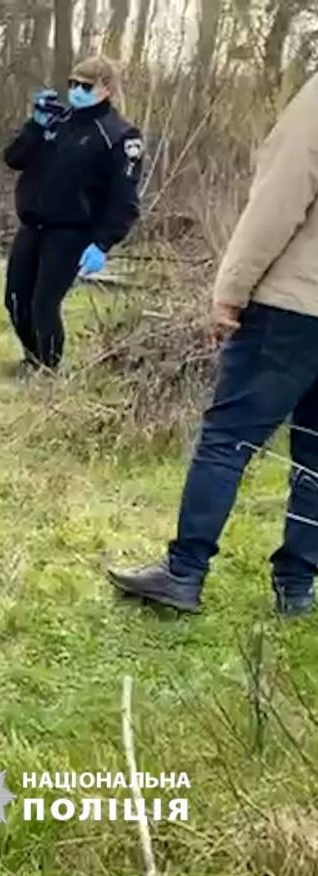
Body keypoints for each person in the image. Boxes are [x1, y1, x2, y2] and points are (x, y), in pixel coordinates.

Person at [107, 74, 318, 617]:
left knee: (227, 438)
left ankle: (185, 571)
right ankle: (296, 588)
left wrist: (231, 290)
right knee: (317, 456)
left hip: (294, 306)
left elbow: (279, 200)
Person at [1, 56, 143, 373]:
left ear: (106, 89)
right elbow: (14, 158)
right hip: (33, 224)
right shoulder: (56, 120)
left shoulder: (118, 135)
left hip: (71, 232)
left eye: (85, 86)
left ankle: (48, 370)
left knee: (43, 304)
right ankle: (32, 358)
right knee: (14, 298)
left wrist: (103, 243)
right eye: (73, 84)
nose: (76, 91)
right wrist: (34, 126)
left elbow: (124, 199)